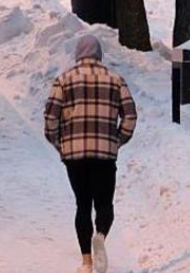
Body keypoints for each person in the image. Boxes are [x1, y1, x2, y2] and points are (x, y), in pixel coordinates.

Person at [44, 35, 137, 273]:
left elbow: (51, 117)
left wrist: (59, 143)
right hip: (105, 154)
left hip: (75, 155)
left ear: (78, 54)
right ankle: (101, 235)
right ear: (99, 54)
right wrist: (117, 140)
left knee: (82, 204)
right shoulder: (116, 80)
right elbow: (130, 115)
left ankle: (86, 262)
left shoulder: (63, 80)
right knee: (104, 203)